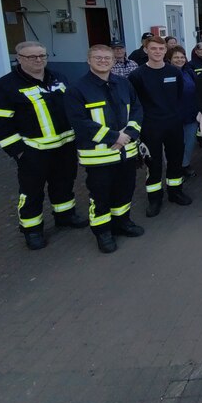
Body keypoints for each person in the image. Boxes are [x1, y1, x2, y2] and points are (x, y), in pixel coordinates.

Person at [0, 41, 85, 250]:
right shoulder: (4, 86)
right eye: (32, 57)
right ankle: (32, 230)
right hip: (33, 151)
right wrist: (18, 151)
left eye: (42, 55)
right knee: (32, 192)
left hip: (65, 145)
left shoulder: (58, 78)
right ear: (19, 59)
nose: (38, 60)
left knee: (64, 184)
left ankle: (65, 216)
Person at [64, 45, 144, 254]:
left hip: (126, 151)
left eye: (107, 57)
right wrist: (115, 137)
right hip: (98, 156)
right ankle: (102, 232)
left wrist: (128, 136)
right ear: (88, 60)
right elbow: (79, 122)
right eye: (97, 58)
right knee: (100, 196)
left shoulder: (123, 84)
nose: (103, 61)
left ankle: (122, 223)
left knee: (125, 190)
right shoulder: (77, 89)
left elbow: (136, 110)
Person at [128, 36, 189, 217]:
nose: (157, 52)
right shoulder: (137, 75)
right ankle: (154, 198)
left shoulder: (174, 72)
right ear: (146, 50)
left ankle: (175, 192)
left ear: (165, 51)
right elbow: (134, 103)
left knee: (175, 159)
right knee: (153, 164)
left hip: (173, 124)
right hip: (150, 127)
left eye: (161, 49)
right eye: (153, 48)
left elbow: (179, 96)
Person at [167, 45, 200, 178]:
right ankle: (174, 167)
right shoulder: (167, 72)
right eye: (176, 57)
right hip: (173, 116)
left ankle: (185, 164)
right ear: (170, 59)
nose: (180, 59)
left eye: (182, 57)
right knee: (174, 144)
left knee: (189, 141)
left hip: (190, 113)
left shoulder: (189, 72)